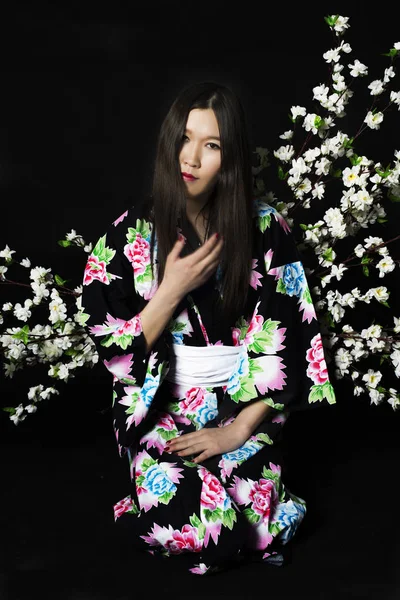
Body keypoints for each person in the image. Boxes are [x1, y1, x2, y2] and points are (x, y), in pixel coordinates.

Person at [81, 81, 336, 575]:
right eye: (185, 138)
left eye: (212, 145)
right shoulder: (124, 236)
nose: (192, 158)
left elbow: (293, 343)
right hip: (162, 408)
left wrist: (236, 431)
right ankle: (155, 496)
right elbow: (117, 355)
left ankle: (242, 489)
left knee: (260, 523)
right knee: (192, 527)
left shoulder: (266, 228)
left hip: (239, 404)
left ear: (231, 158)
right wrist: (171, 289)